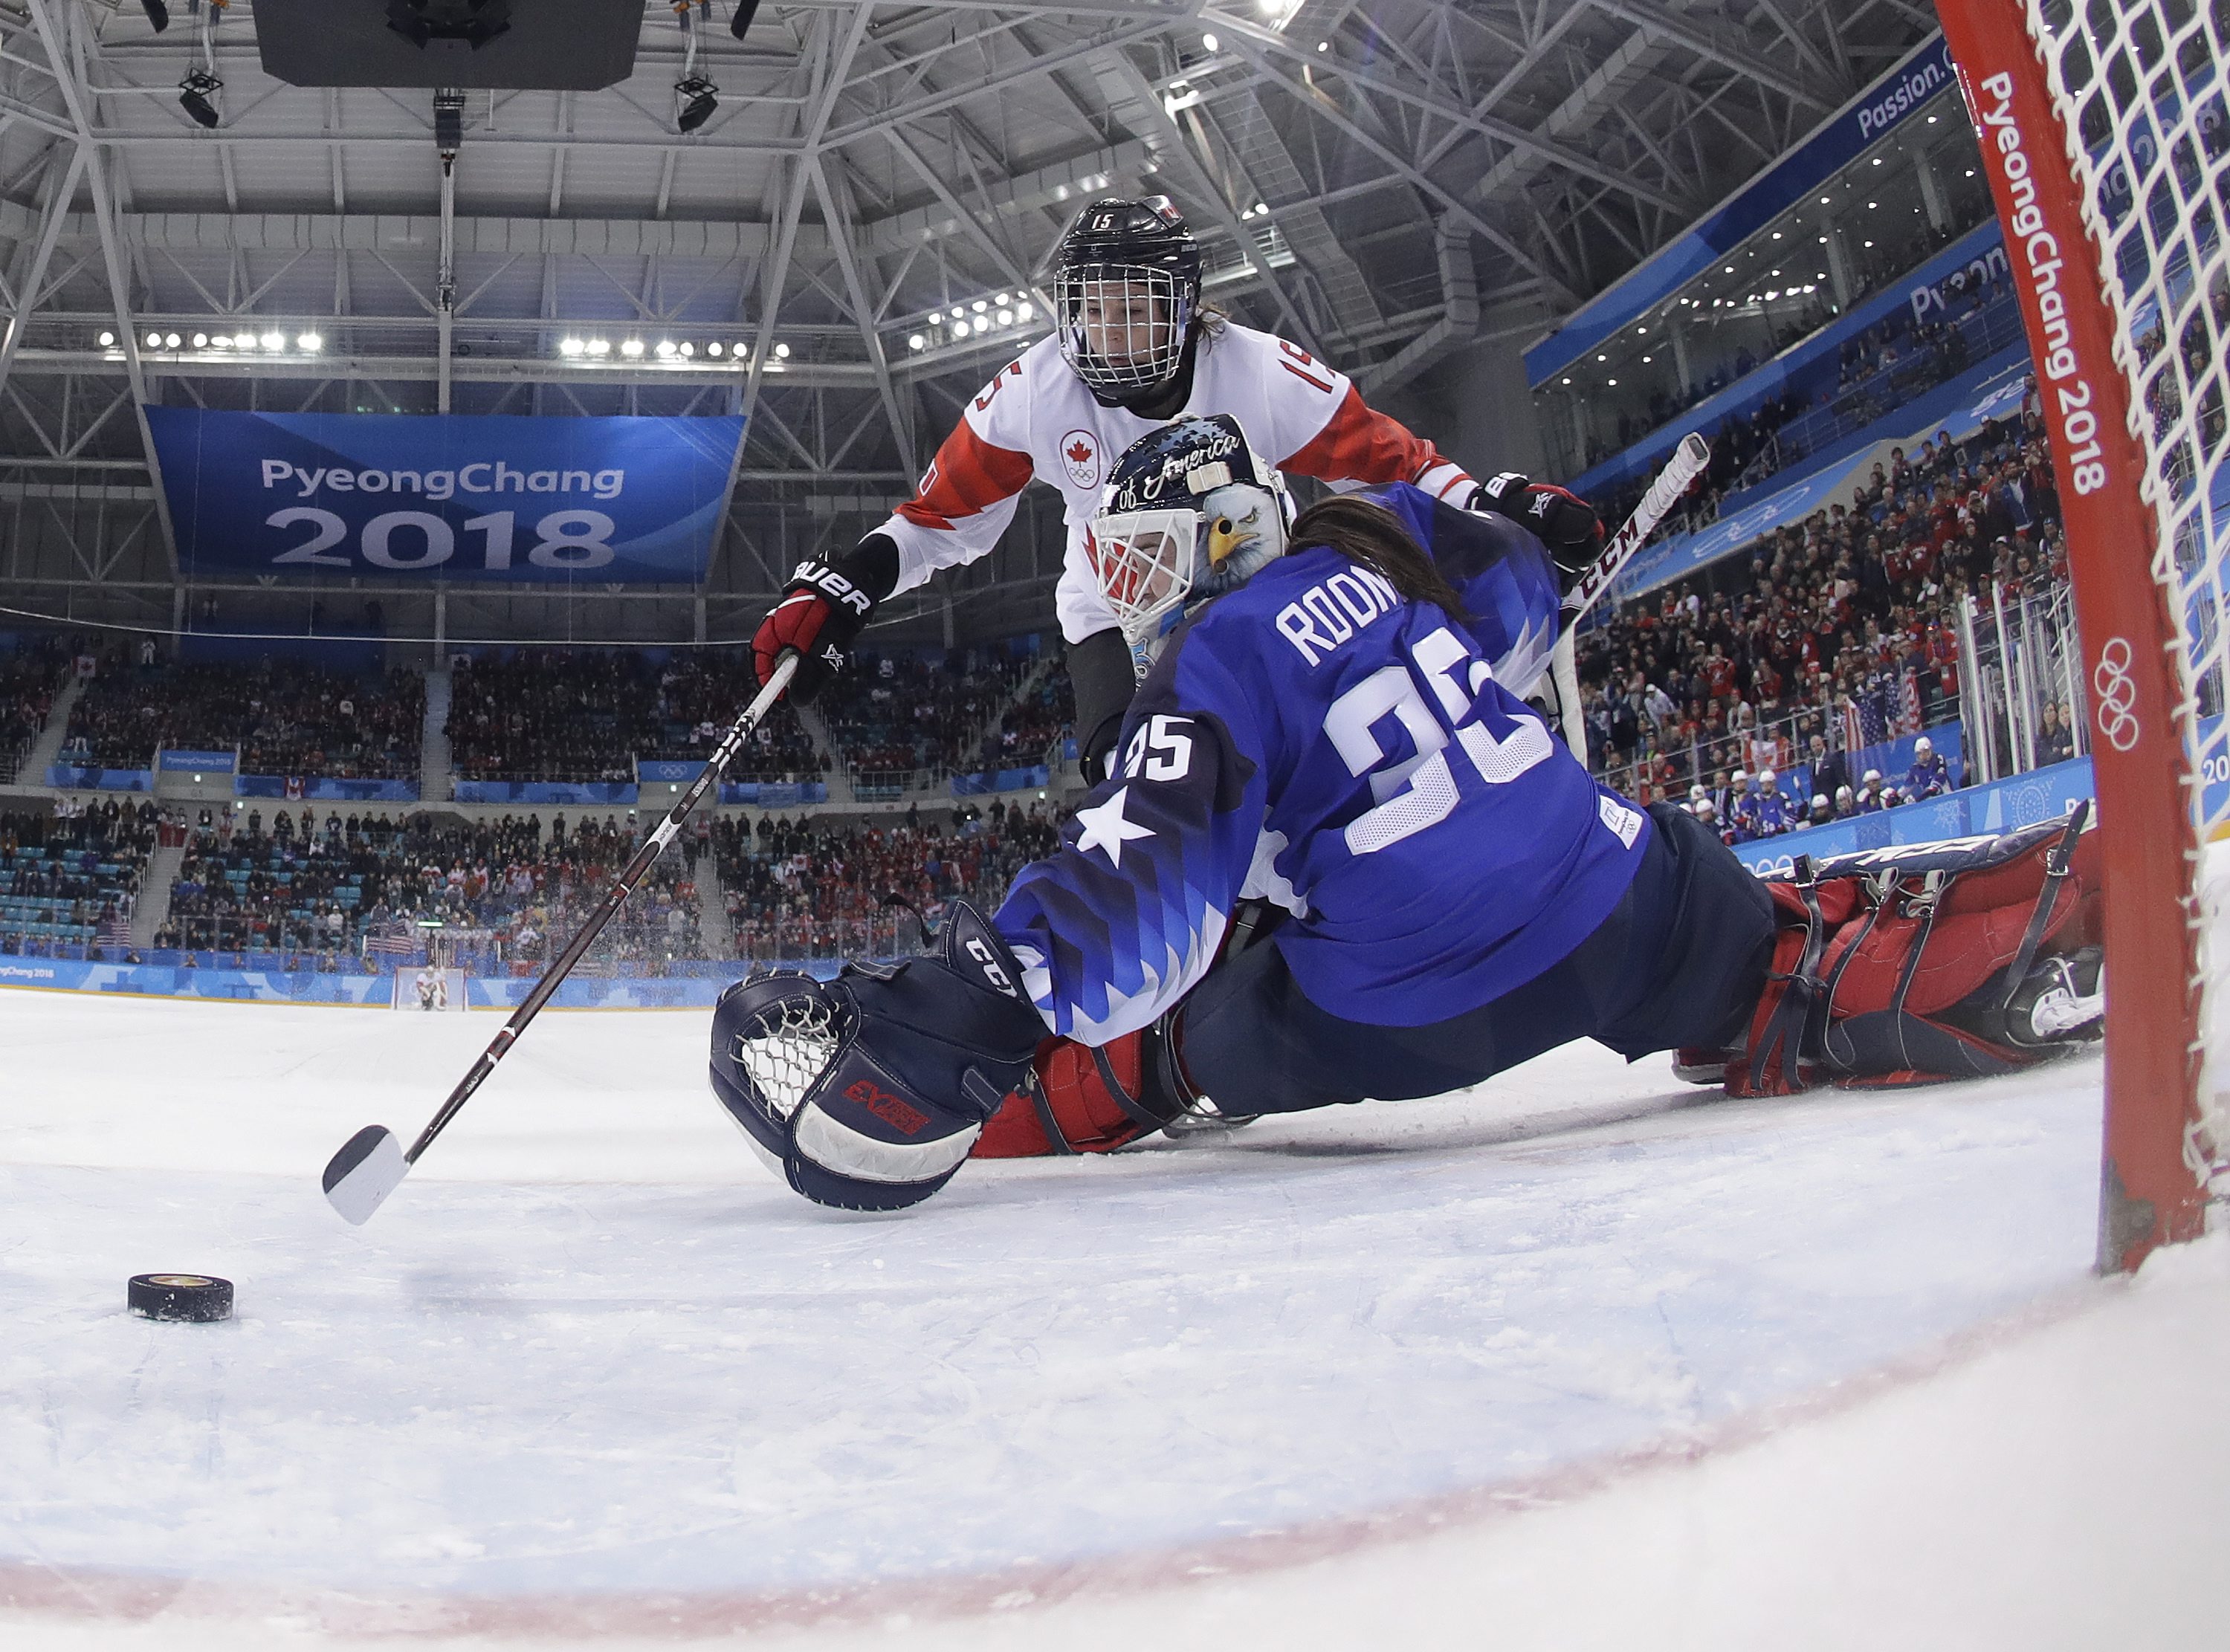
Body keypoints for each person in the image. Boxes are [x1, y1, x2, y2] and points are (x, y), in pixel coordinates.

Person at [711, 420, 2105, 1211]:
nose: (1128, 584)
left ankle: (1021, 1105)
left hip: (1411, 1016)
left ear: (1222, 535)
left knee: (1186, 1023)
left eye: (1144, 550)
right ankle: (1873, 971)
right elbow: (1516, 595)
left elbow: (1136, 896)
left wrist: (981, 995)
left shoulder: (1213, 662)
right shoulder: (1395, 546)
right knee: (1721, 914)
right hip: (1620, 904)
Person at [748, 195, 1603, 782]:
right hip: (1114, 622)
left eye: (1137, 308)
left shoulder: (1260, 372)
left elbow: (1393, 465)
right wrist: (849, 586)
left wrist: (1490, 511)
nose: (1112, 333)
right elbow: (940, 519)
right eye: (1095, 309)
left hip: (1266, 598)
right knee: (1133, 789)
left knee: (1314, 764)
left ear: (1187, 307)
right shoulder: (1036, 393)